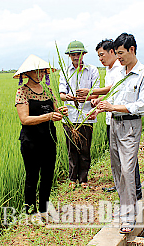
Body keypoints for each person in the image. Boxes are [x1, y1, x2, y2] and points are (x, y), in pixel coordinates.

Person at [89, 33, 144, 234]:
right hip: (114, 124)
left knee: (128, 170)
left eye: (120, 53)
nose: (118, 58)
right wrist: (101, 106)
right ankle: (125, 208)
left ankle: (129, 215)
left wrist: (115, 107)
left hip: (130, 126)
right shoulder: (120, 74)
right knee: (117, 168)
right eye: (116, 54)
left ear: (132, 50)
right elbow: (112, 98)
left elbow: (143, 105)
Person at [77, 39, 143, 200]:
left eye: (102, 55)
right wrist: (98, 103)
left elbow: (114, 90)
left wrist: (93, 92)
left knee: (128, 158)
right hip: (111, 118)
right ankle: (122, 186)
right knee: (118, 158)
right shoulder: (111, 70)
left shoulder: (121, 70)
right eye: (98, 56)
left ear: (112, 52)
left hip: (125, 119)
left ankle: (136, 190)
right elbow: (112, 94)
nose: (100, 59)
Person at [14, 54, 67, 220]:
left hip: (49, 138)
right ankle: (30, 212)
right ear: (28, 73)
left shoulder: (48, 90)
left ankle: (44, 208)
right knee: (32, 176)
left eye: (43, 71)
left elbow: (56, 112)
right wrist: (49, 116)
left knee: (48, 175)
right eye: (38, 72)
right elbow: (25, 119)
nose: (42, 75)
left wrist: (61, 112)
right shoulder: (22, 92)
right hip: (31, 141)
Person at [59, 40, 100, 189]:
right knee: (71, 149)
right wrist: (68, 97)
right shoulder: (64, 71)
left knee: (84, 148)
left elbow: (95, 92)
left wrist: (86, 97)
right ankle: (72, 178)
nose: (76, 57)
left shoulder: (92, 70)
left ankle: (84, 178)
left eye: (79, 54)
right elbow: (62, 94)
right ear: (69, 56)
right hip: (70, 117)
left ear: (84, 54)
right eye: (73, 54)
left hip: (86, 116)